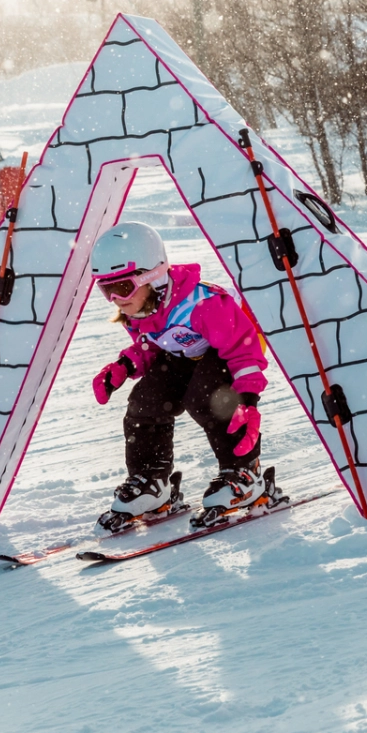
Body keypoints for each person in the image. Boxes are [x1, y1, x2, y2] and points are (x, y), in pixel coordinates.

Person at [87, 221, 282, 532]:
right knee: (145, 402)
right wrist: (126, 364)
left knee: (207, 398)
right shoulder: (139, 309)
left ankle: (245, 474)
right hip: (187, 355)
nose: (115, 299)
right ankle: (153, 481)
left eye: (122, 287)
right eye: (105, 288)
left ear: (152, 278)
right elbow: (154, 343)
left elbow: (244, 351)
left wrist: (248, 399)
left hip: (230, 351)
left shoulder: (203, 304)